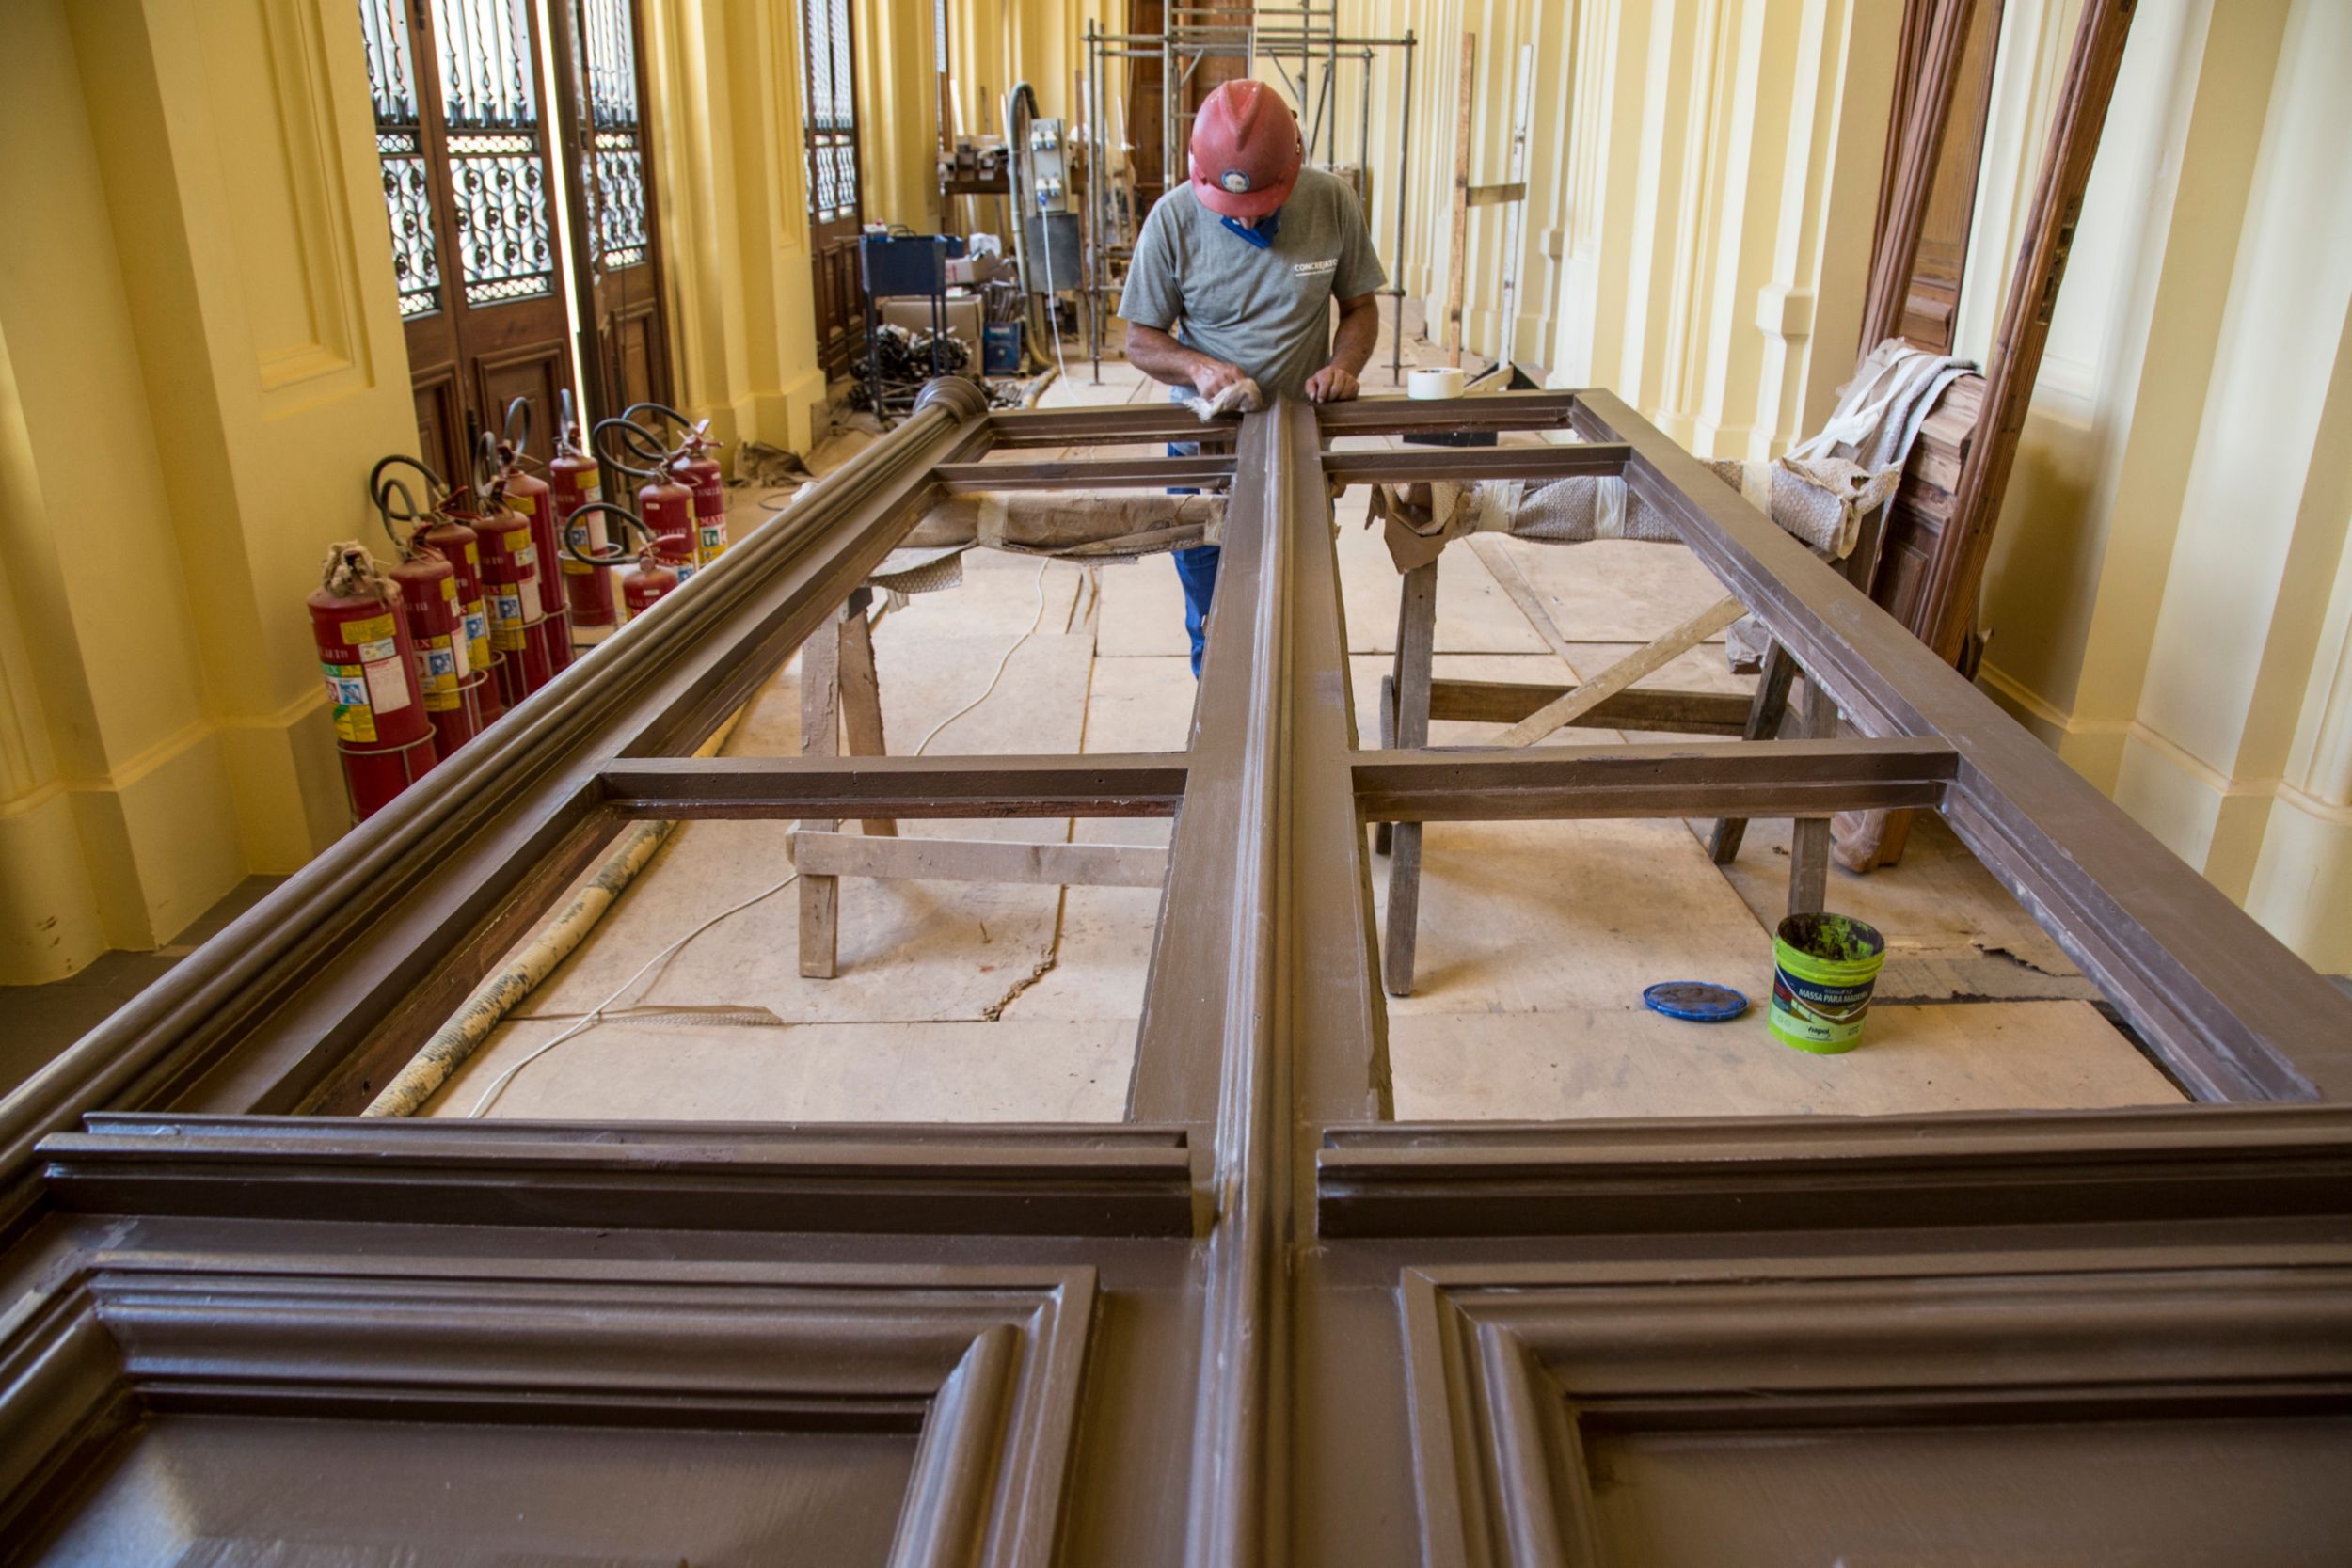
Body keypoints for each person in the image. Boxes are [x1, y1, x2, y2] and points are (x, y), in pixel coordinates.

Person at [1118, 80, 1387, 676]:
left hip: (1298, 448)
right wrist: (1194, 365)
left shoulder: (1333, 203)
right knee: (1211, 614)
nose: (1252, 218)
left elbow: (1361, 308)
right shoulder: (1172, 220)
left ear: (1294, 163)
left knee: (1298, 606)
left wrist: (1343, 365)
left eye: (1266, 202)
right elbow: (1139, 339)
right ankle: (1211, 725)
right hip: (1204, 454)